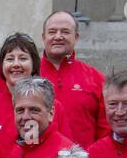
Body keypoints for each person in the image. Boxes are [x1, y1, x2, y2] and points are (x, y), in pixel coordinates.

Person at [0, 32, 71, 152]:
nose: (16, 64)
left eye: (23, 58)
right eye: (10, 59)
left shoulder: (51, 106)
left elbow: (65, 152)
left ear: (33, 64)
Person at [40, 11, 108, 148]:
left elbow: (106, 131)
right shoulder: (28, 76)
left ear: (76, 37)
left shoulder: (97, 79)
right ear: (43, 37)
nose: (58, 37)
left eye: (65, 32)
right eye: (52, 32)